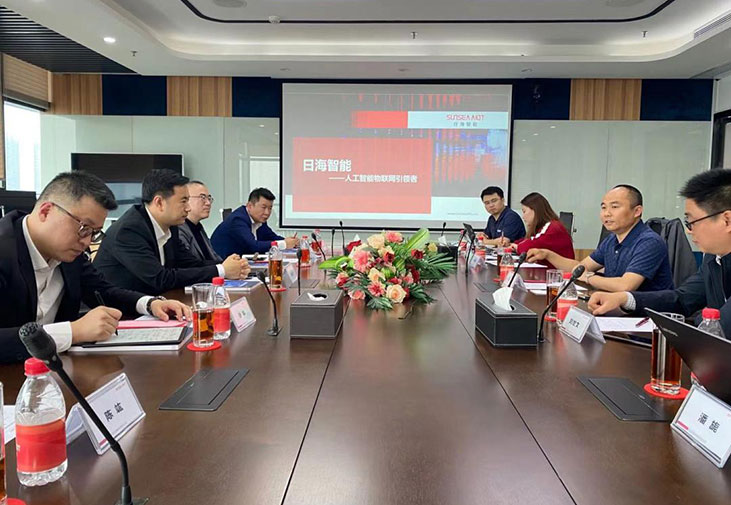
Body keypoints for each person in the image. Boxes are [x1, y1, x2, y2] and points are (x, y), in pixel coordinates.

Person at [0, 172, 191, 364]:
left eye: (95, 233)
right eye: (84, 228)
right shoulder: (5, 249)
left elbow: (102, 291)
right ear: (45, 212)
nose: (87, 242)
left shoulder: (68, 253)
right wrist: (72, 332)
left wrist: (150, 304)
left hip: (57, 369)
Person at [589, 170, 731, 337]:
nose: (688, 230)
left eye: (692, 222)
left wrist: (701, 320)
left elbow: (722, 326)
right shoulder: (712, 258)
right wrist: (625, 299)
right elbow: (682, 300)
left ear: (727, 220)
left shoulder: (649, 241)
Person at [94, 169, 249, 295]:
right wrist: (222, 270)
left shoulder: (170, 225)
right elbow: (160, 278)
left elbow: (190, 263)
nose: (188, 208)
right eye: (183, 201)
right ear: (159, 202)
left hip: (156, 303)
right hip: (121, 312)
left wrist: (232, 265)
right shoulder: (129, 231)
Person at [527, 185, 673, 292]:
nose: (606, 213)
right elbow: (581, 267)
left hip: (643, 318)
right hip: (614, 310)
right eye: (603, 207)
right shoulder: (611, 240)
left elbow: (625, 286)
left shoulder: (649, 242)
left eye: (614, 207)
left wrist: (588, 277)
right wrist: (547, 254)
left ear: (637, 211)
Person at [211, 187, 298, 256]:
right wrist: (284, 244)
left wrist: (290, 242)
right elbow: (253, 246)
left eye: (270, 208)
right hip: (223, 264)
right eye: (263, 207)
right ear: (250, 206)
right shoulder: (238, 219)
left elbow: (271, 237)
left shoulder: (259, 219)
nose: (267, 212)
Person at [508, 192, 574, 269]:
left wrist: (517, 247)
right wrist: (512, 244)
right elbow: (527, 240)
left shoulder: (553, 227)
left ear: (535, 210)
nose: (523, 216)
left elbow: (529, 246)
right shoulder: (542, 227)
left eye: (524, 211)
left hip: (560, 274)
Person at [178, 180, 223, 263]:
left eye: (209, 198)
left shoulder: (198, 227)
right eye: (202, 197)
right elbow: (190, 264)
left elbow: (213, 257)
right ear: (186, 199)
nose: (208, 203)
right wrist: (223, 267)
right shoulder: (179, 229)